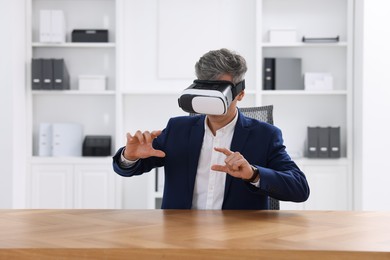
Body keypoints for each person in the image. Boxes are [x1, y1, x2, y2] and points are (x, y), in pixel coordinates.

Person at [112, 48, 310, 210]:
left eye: (218, 90)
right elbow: (126, 171)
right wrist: (129, 157)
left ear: (240, 94)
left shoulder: (265, 135)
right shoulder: (177, 129)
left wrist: (253, 174)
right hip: (181, 235)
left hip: (239, 238)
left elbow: (300, 189)